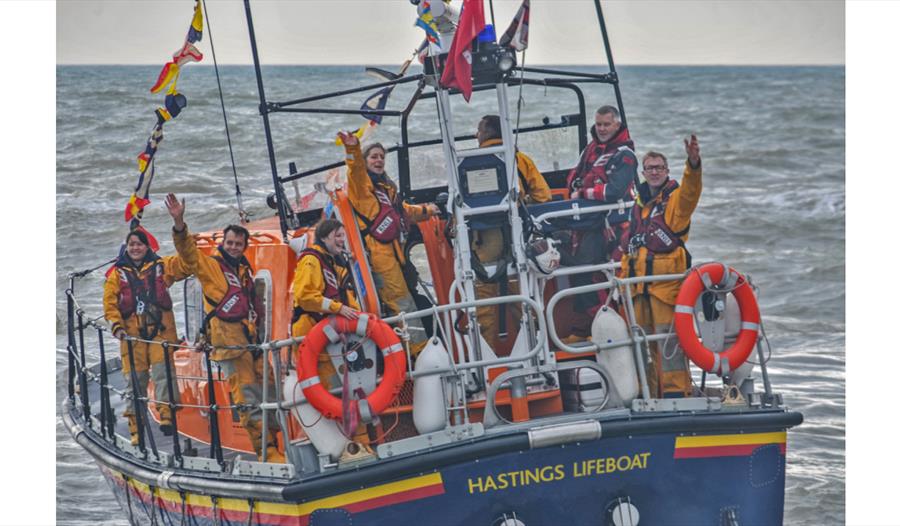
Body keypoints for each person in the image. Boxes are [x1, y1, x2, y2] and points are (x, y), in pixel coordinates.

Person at [165, 193, 284, 463]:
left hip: (252, 342)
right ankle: (267, 452)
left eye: (238, 243)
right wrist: (179, 222)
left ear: (244, 246)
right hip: (230, 346)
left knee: (271, 392)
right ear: (223, 244)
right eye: (229, 242)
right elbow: (188, 253)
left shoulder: (244, 269)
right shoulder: (210, 267)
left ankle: (278, 439)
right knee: (248, 400)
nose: (233, 247)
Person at [336, 131, 439, 356]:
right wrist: (353, 149)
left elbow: (402, 213)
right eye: (373, 156)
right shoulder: (362, 189)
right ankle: (419, 354)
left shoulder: (386, 190)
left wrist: (428, 211)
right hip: (380, 257)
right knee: (403, 305)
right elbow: (354, 172)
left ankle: (418, 349)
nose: (379, 160)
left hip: (396, 254)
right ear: (365, 161)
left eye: (381, 156)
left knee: (409, 300)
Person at [621, 135, 703, 398]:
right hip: (637, 290)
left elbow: (691, 192)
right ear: (643, 173)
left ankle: (677, 394)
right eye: (649, 168)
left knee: (670, 347)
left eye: (659, 168)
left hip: (665, 290)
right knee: (643, 348)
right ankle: (649, 394)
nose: (654, 172)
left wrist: (693, 163)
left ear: (667, 172)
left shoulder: (676, 201)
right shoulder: (639, 204)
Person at [103, 228, 192, 445]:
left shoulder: (161, 267)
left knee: (163, 373)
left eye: (139, 244)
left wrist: (188, 243)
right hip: (132, 337)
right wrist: (117, 327)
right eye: (132, 244)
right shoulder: (116, 275)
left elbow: (185, 266)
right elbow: (110, 304)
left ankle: (167, 416)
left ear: (147, 246)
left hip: (160, 333)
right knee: (136, 381)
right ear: (127, 247)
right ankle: (136, 427)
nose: (135, 248)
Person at [472, 114, 551, 350]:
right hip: (518, 241)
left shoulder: (469, 162)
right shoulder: (520, 160)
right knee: (524, 299)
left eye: (479, 130)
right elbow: (543, 196)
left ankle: (485, 359)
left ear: (486, 134)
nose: (476, 134)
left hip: (484, 244)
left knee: (483, 304)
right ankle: (536, 350)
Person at [290, 219, 369, 443]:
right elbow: (305, 297)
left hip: (336, 338)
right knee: (333, 390)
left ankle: (360, 439)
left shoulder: (332, 263)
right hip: (314, 336)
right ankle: (349, 443)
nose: (342, 240)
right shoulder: (311, 261)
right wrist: (337, 308)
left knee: (349, 386)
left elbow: (346, 296)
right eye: (338, 235)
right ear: (324, 237)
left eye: (343, 235)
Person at [566, 105, 637, 264]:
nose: (602, 129)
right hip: (587, 218)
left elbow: (615, 191)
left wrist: (583, 193)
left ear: (617, 125)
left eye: (606, 124)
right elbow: (576, 175)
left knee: (587, 268)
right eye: (599, 124)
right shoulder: (591, 148)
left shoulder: (625, 155)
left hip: (612, 223)